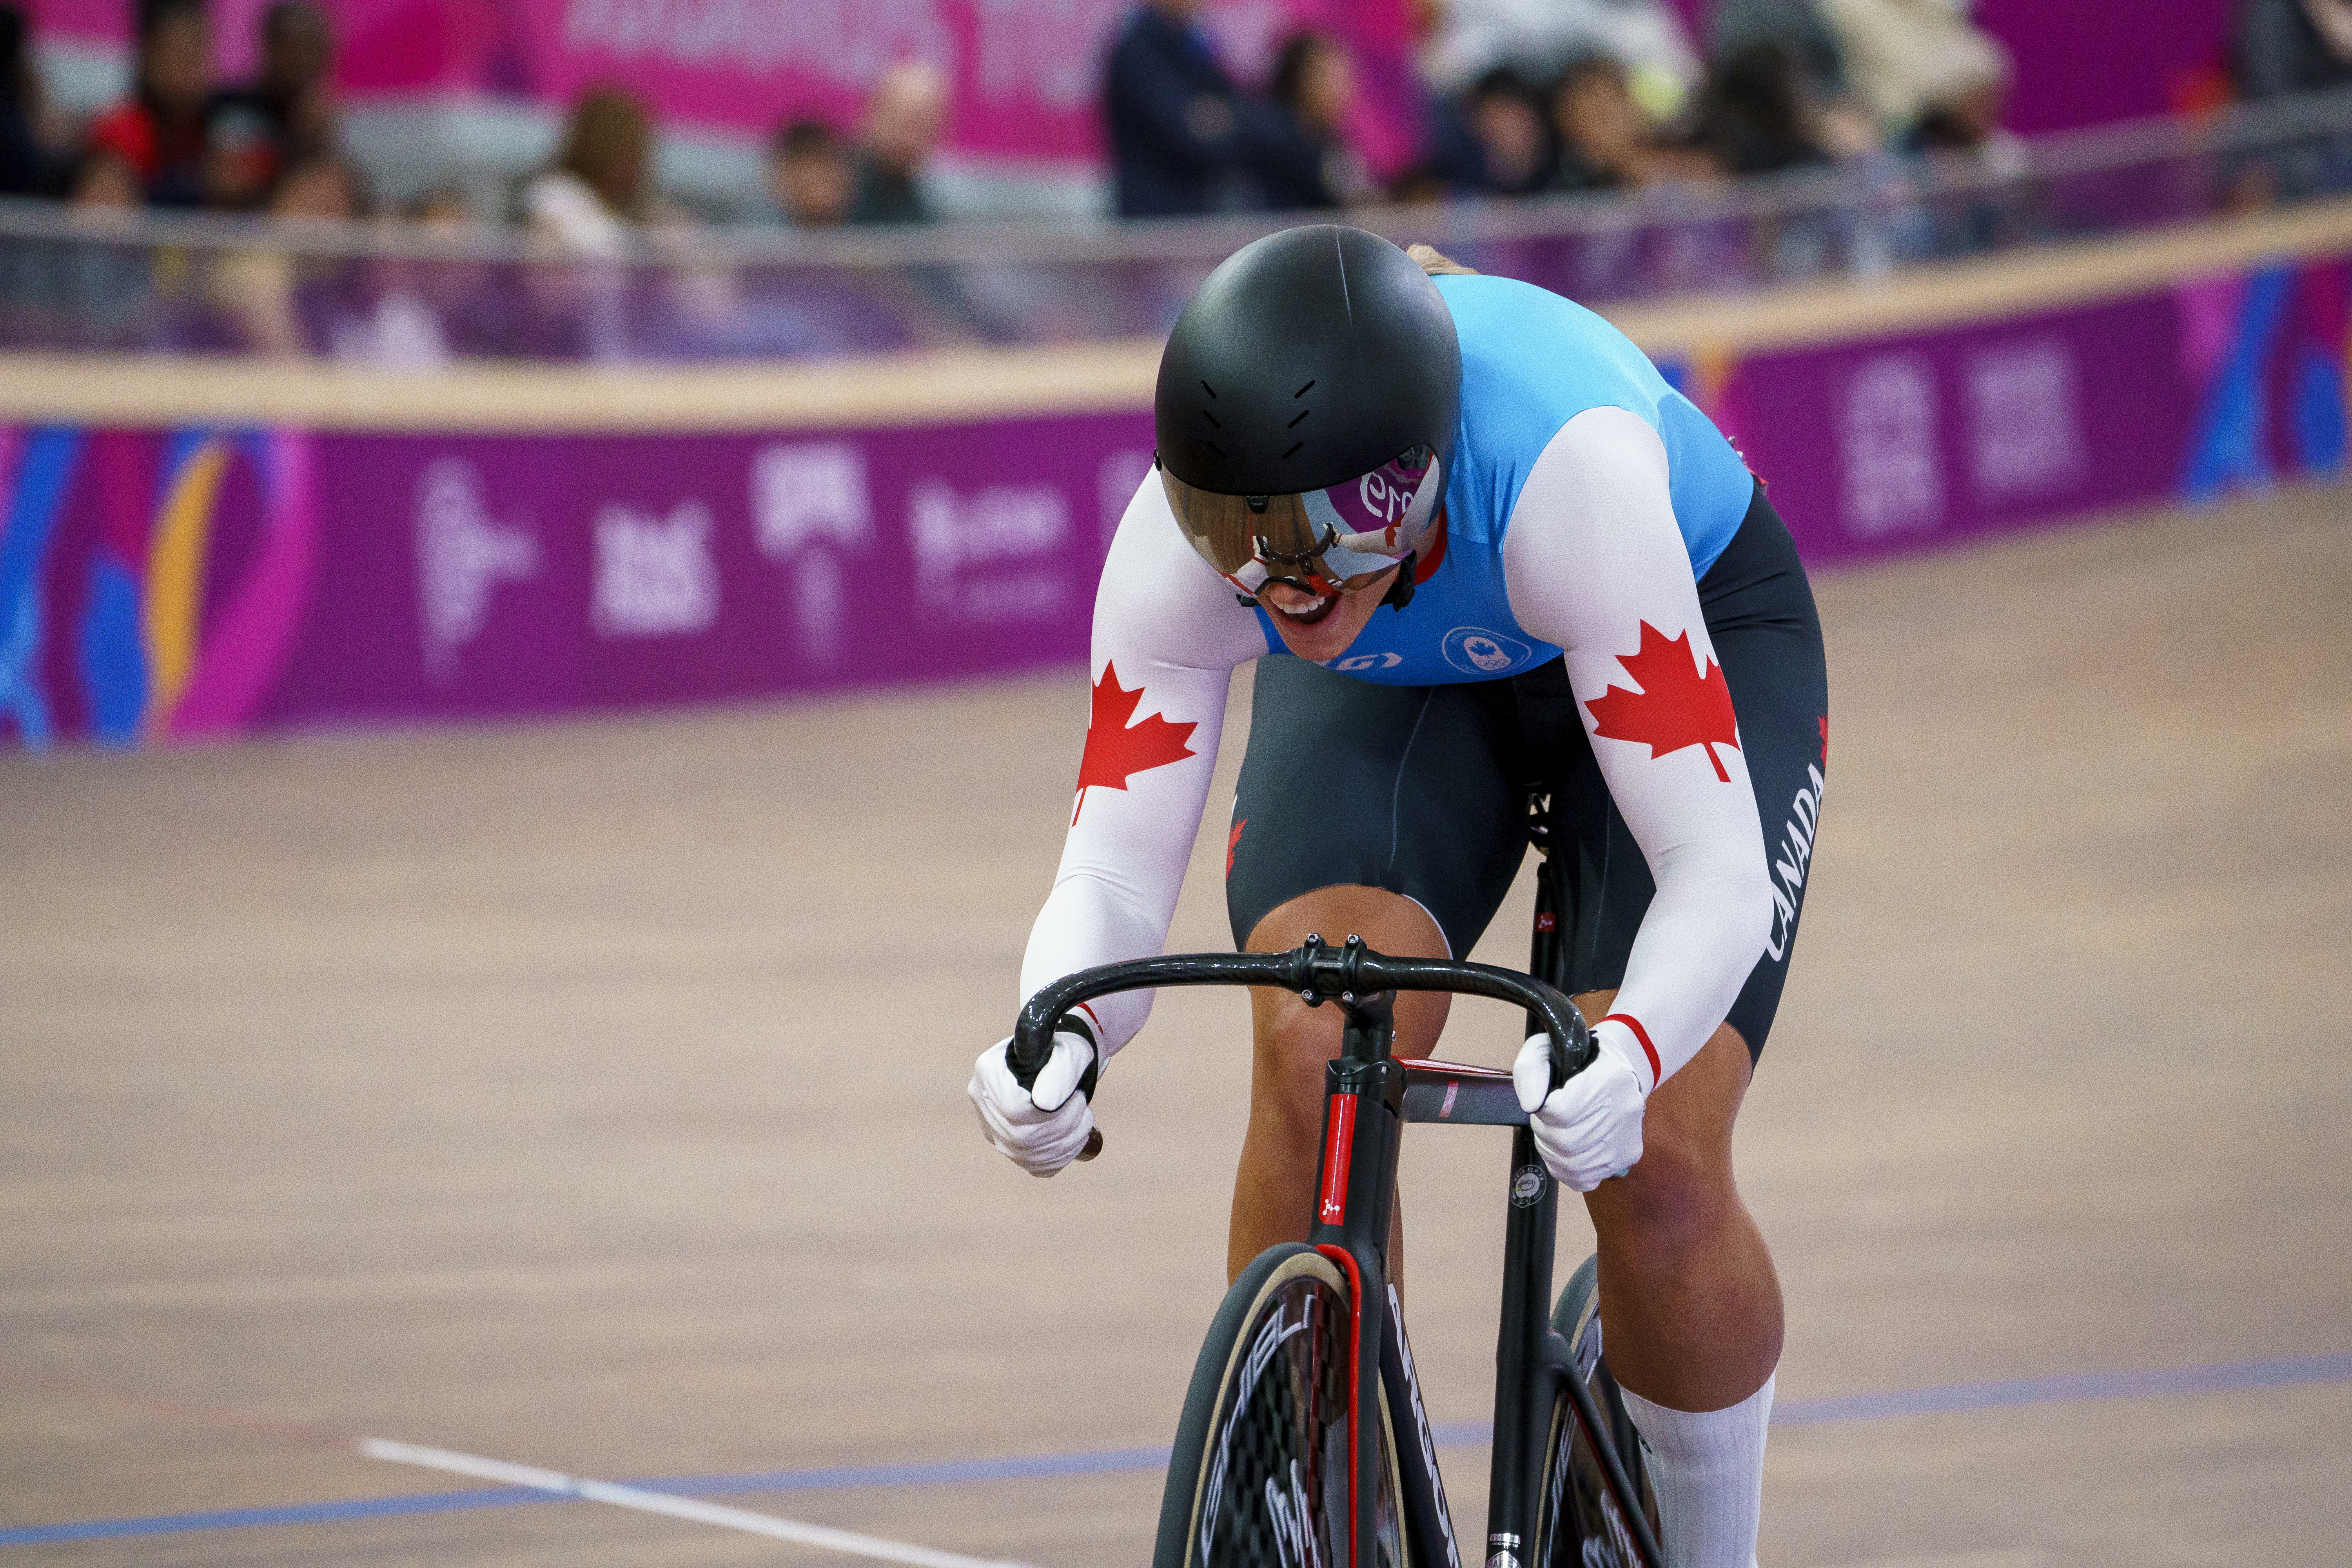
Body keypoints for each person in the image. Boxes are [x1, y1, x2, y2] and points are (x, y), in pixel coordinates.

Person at [969, 226, 1826, 1568]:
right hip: (1407, 656)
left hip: (1677, 606)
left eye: (1312, 536)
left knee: (1657, 1144)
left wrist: (1632, 1048)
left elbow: (1711, 872)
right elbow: (1113, 871)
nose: (1278, 580)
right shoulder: (1211, 548)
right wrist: (1058, 1028)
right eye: (1237, 537)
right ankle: (1334, 1508)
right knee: (1316, 1049)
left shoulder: (1574, 479)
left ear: (1412, 480)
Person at [1101, 0, 1261, 218]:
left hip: (1195, 209)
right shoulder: (1136, 51)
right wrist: (1216, 121)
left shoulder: (1195, 45)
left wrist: (1222, 119)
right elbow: (1187, 130)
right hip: (1151, 215)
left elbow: (1238, 113)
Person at [205, 0, 338, 210]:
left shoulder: (319, 122)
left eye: (307, 49)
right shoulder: (233, 109)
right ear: (268, 45)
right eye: (290, 46)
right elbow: (226, 188)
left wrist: (312, 139)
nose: (298, 59)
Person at [85, 0, 214, 207]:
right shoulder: (120, 134)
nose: (187, 68)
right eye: (176, 53)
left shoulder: (218, 131)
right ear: (148, 57)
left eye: (196, 53)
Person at [1254, 31, 1371, 210]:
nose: (1345, 87)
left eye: (1345, 77)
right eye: (1332, 77)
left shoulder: (1328, 139)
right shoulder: (1272, 136)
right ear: (1305, 79)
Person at [844, 62, 944, 225]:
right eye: (907, 123)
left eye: (924, 126)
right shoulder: (837, 189)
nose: (912, 138)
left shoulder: (919, 200)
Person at [765, 116, 852, 227]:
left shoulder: (867, 219)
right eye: (807, 184)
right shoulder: (765, 227)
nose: (815, 193)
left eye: (820, 180)